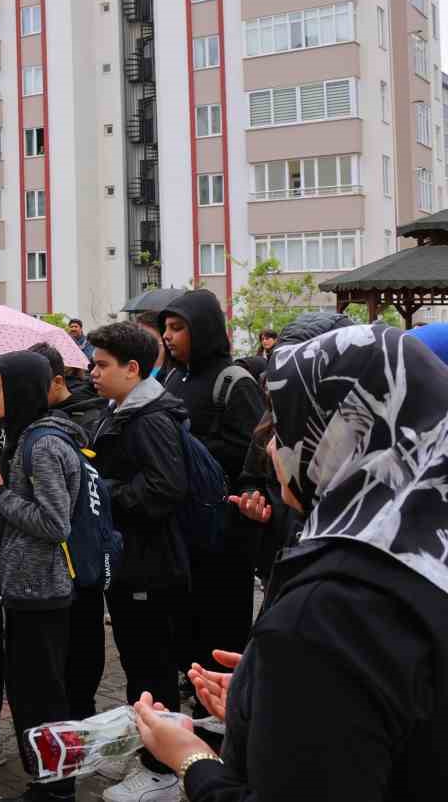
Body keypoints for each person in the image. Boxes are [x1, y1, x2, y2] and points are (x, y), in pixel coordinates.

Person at [134, 323, 448, 801]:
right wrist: (275, 699)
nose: (270, 448)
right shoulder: (424, 554)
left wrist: (191, 758)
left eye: (283, 424)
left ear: (338, 433)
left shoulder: (326, 612)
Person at [84, 320, 190, 802]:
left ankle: (163, 770)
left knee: (152, 666)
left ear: (132, 369)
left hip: (150, 563)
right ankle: (145, 748)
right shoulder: (121, 409)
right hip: (130, 560)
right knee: (137, 661)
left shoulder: (149, 418)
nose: (93, 372)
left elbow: (166, 488)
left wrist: (106, 493)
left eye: (103, 365)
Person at [0, 351, 84, 802]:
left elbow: (54, 522)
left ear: (22, 391)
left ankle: (56, 788)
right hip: (27, 586)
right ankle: (46, 783)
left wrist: (0, 494)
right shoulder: (24, 437)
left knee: (41, 698)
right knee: (30, 694)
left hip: (41, 588)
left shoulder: (41, 444)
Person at [160, 290, 265, 678]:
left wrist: (185, 447)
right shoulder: (173, 377)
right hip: (183, 527)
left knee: (222, 632)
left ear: (201, 330)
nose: (168, 336)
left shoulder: (234, 382)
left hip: (225, 533)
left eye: (177, 328)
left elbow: (252, 450)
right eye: (165, 328)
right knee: (187, 628)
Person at [28, 341, 107, 719]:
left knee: (81, 646)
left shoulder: (84, 419)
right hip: (52, 562)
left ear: (56, 380)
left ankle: (80, 720)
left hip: (80, 553)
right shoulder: (32, 421)